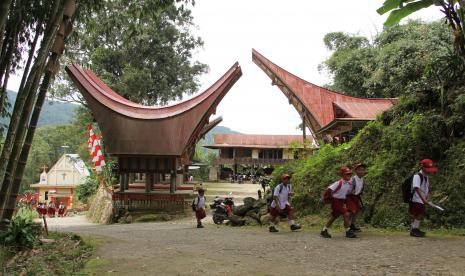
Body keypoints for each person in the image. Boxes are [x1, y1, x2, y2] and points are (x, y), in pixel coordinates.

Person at [321, 167, 357, 239]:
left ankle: (324, 230)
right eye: (346, 174)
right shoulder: (338, 183)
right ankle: (348, 231)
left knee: (334, 216)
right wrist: (331, 198)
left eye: (349, 174)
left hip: (341, 201)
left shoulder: (349, 183)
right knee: (346, 214)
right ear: (342, 175)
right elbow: (329, 189)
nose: (348, 175)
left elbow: (348, 192)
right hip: (335, 201)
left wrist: (353, 190)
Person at [409, 159, 437, 237]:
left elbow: (426, 187)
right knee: (419, 214)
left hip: (422, 199)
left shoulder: (426, 176)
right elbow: (416, 188)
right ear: (422, 167)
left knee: (419, 214)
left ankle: (414, 229)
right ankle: (414, 230)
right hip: (417, 199)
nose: (429, 171)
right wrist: (423, 199)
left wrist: (427, 196)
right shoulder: (417, 176)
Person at [347, 163, 366, 232]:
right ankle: (348, 227)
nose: (361, 171)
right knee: (351, 211)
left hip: (356, 197)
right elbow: (347, 189)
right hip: (350, 197)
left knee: (356, 211)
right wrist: (351, 191)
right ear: (356, 171)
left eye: (363, 170)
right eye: (359, 170)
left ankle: (352, 225)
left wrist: (361, 192)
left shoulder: (362, 180)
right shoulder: (353, 179)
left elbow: (361, 188)